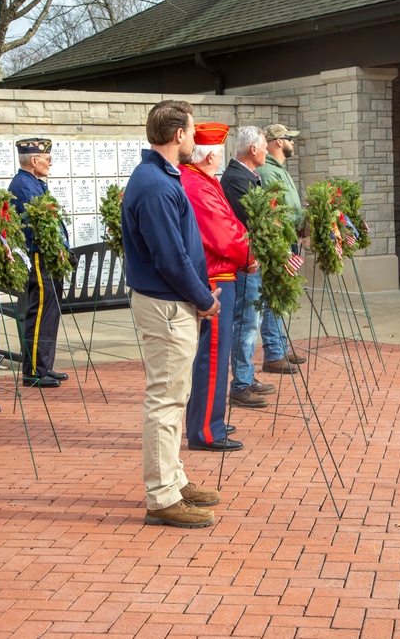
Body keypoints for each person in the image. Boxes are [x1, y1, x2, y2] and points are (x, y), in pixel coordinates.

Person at [122, 99, 223, 528]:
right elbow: (171, 258)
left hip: (167, 302)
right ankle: (162, 496)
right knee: (165, 400)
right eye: (192, 130)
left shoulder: (157, 177)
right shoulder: (157, 184)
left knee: (173, 396)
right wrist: (203, 298)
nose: (195, 137)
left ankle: (172, 480)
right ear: (178, 134)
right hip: (167, 304)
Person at [180, 122, 261, 453]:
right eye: (219, 152)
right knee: (212, 355)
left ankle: (208, 418)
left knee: (210, 355)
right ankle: (206, 430)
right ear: (211, 154)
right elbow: (224, 232)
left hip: (216, 274)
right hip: (215, 279)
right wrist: (249, 256)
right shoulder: (198, 185)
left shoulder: (200, 180)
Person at [219, 126, 279, 408]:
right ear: (253, 149)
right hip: (245, 262)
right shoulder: (235, 179)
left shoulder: (246, 176)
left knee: (250, 322)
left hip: (252, 259)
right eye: (265, 145)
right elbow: (252, 219)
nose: (267, 149)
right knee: (246, 322)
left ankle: (246, 376)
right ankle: (240, 385)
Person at [8, 138, 70, 388]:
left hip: (48, 256)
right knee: (41, 311)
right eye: (46, 158)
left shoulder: (33, 183)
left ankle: (43, 365)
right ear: (33, 160)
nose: (50, 162)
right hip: (39, 256)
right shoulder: (24, 186)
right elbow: (35, 228)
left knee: (50, 313)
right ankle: (34, 370)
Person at [255, 123, 308, 373]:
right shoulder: (267, 172)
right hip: (279, 242)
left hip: (289, 239)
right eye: (289, 138)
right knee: (273, 298)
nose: (293, 142)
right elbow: (275, 210)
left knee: (282, 298)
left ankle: (281, 347)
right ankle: (273, 354)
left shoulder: (279, 169)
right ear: (278, 142)